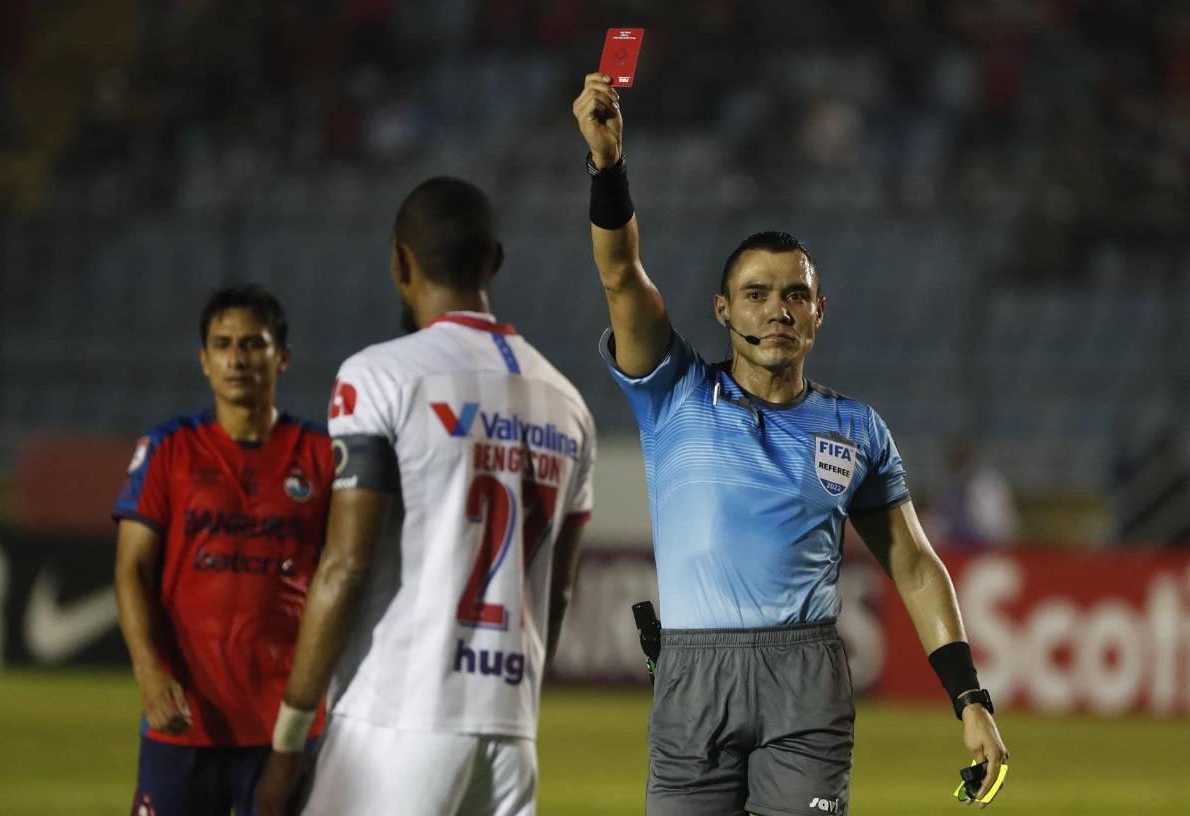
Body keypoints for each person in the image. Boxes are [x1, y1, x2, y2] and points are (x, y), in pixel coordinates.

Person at [572, 72, 1009, 815]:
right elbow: (621, 274)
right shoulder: (673, 390)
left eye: (796, 294)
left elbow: (911, 561)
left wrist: (970, 698)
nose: (778, 309)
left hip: (805, 678)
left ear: (818, 313)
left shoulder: (857, 428)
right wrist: (608, 166)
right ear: (722, 309)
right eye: (757, 293)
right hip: (692, 678)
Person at [255, 177, 597, 816]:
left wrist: (287, 742)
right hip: (510, 732)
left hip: (397, 718)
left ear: (399, 261)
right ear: (494, 262)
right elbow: (561, 590)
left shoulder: (380, 376)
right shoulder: (569, 406)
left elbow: (345, 565)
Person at [113, 285, 332, 816]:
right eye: (223, 344)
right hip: (184, 719)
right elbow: (132, 569)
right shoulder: (169, 449)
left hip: (285, 727)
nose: (237, 357)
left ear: (282, 356)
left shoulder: (323, 455)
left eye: (253, 344)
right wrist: (148, 671)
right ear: (204, 361)